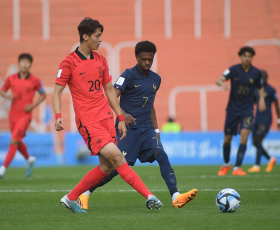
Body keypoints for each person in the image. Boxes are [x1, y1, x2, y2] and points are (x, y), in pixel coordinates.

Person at [53, 18, 162, 213]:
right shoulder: (69, 62)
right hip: (88, 121)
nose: (100, 40)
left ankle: (70, 198)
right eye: (97, 36)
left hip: (105, 118)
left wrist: (120, 117)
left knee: (107, 167)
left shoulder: (101, 60)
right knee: (118, 158)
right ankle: (150, 196)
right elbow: (57, 91)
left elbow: (110, 90)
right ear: (85, 36)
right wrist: (58, 115)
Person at [78, 41, 197, 210]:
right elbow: (112, 97)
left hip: (146, 129)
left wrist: (156, 129)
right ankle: (85, 193)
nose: (147, 62)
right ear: (136, 57)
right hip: (127, 130)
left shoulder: (156, 79)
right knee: (114, 167)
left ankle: (176, 196)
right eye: (144, 59)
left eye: (150, 59)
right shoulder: (128, 75)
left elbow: (150, 106)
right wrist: (122, 114)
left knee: (162, 156)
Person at [0, 53, 46, 178]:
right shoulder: (11, 78)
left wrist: (32, 106)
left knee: (13, 140)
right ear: (18, 63)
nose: (25, 64)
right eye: (22, 61)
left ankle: (2, 168)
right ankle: (29, 159)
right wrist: (7, 96)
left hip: (25, 116)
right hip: (12, 115)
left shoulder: (35, 81)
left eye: (27, 62)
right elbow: (2, 91)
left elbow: (43, 95)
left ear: (30, 64)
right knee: (17, 141)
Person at [216, 46, 266, 176]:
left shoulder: (256, 73)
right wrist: (222, 84)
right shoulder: (233, 70)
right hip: (232, 110)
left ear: (252, 57)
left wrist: (261, 100)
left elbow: (260, 88)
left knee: (244, 136)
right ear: (241, 57)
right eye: (245, 56)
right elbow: (219, 80)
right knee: (227, 139)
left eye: (250, 56)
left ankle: (237, 168)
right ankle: (226, 165)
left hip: (247, 110)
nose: (247, 58)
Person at [248, 70, 280, 173]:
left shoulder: (271, 90)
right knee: (254, 142)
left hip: (266, 118)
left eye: (263, 77)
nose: (262, 80)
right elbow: (252, 101)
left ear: (267, 78)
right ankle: (270, 159)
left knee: (258, 140)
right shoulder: (256, 89)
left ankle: (257, 165)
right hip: (257, 118)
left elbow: (277, 105)